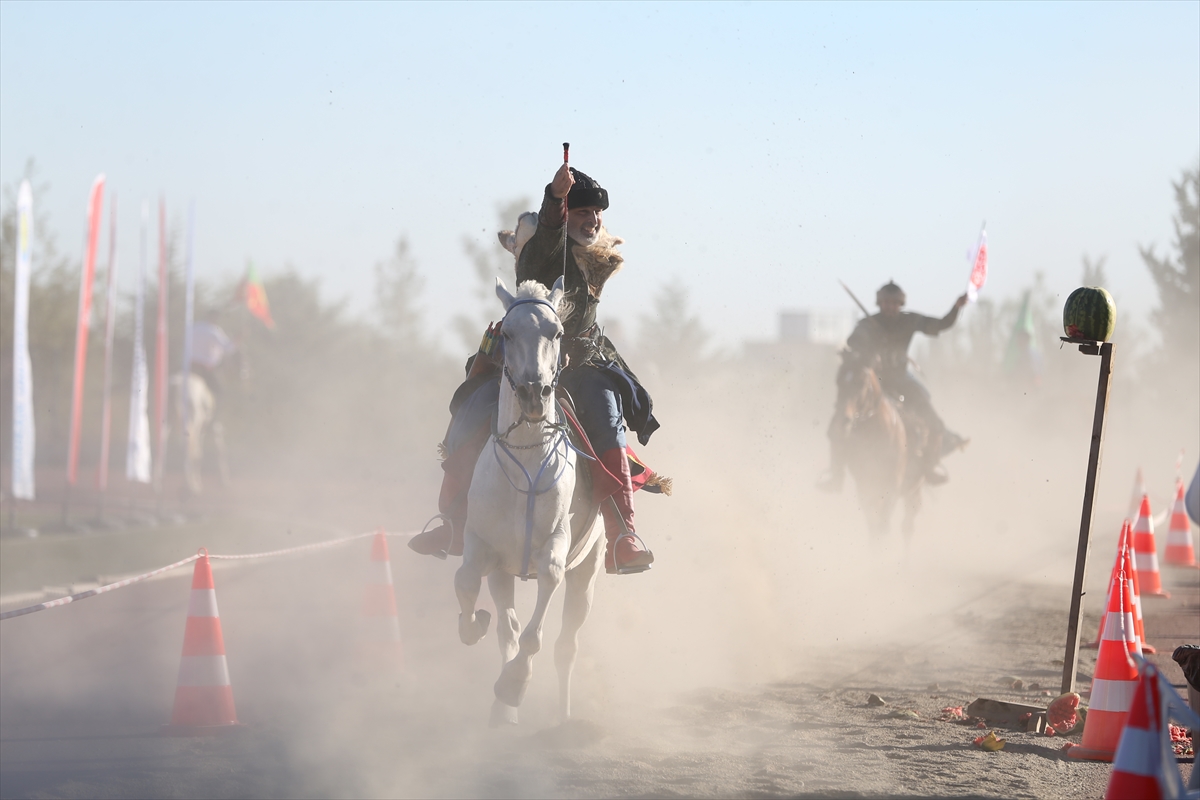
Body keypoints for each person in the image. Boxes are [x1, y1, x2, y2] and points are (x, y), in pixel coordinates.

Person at [409, 162, 663, 574]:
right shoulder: (545, 251)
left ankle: (622, 535)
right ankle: (453, 523)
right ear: (565, 219)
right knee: (471, 413)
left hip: (584, 367)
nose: (593, 220)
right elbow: (548, 233)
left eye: (596, 214)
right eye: (582, 213)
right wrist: (556, 200)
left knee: (607, 418)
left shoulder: (590, 257)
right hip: (524, 364)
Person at [819, 281, 967, 492]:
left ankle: (930, 467)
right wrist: (868, 355)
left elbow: (940, 324)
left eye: (894, 303)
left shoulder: (910, 321)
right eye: (886, 303)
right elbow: (854, 344)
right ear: (880, 304)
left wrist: (956, 308)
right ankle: (836, 476)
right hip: (873, 381)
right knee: (837, 425)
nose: (889, 307)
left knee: (934, 423)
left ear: (900, 304)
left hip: (901, 379)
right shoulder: (867, 325)